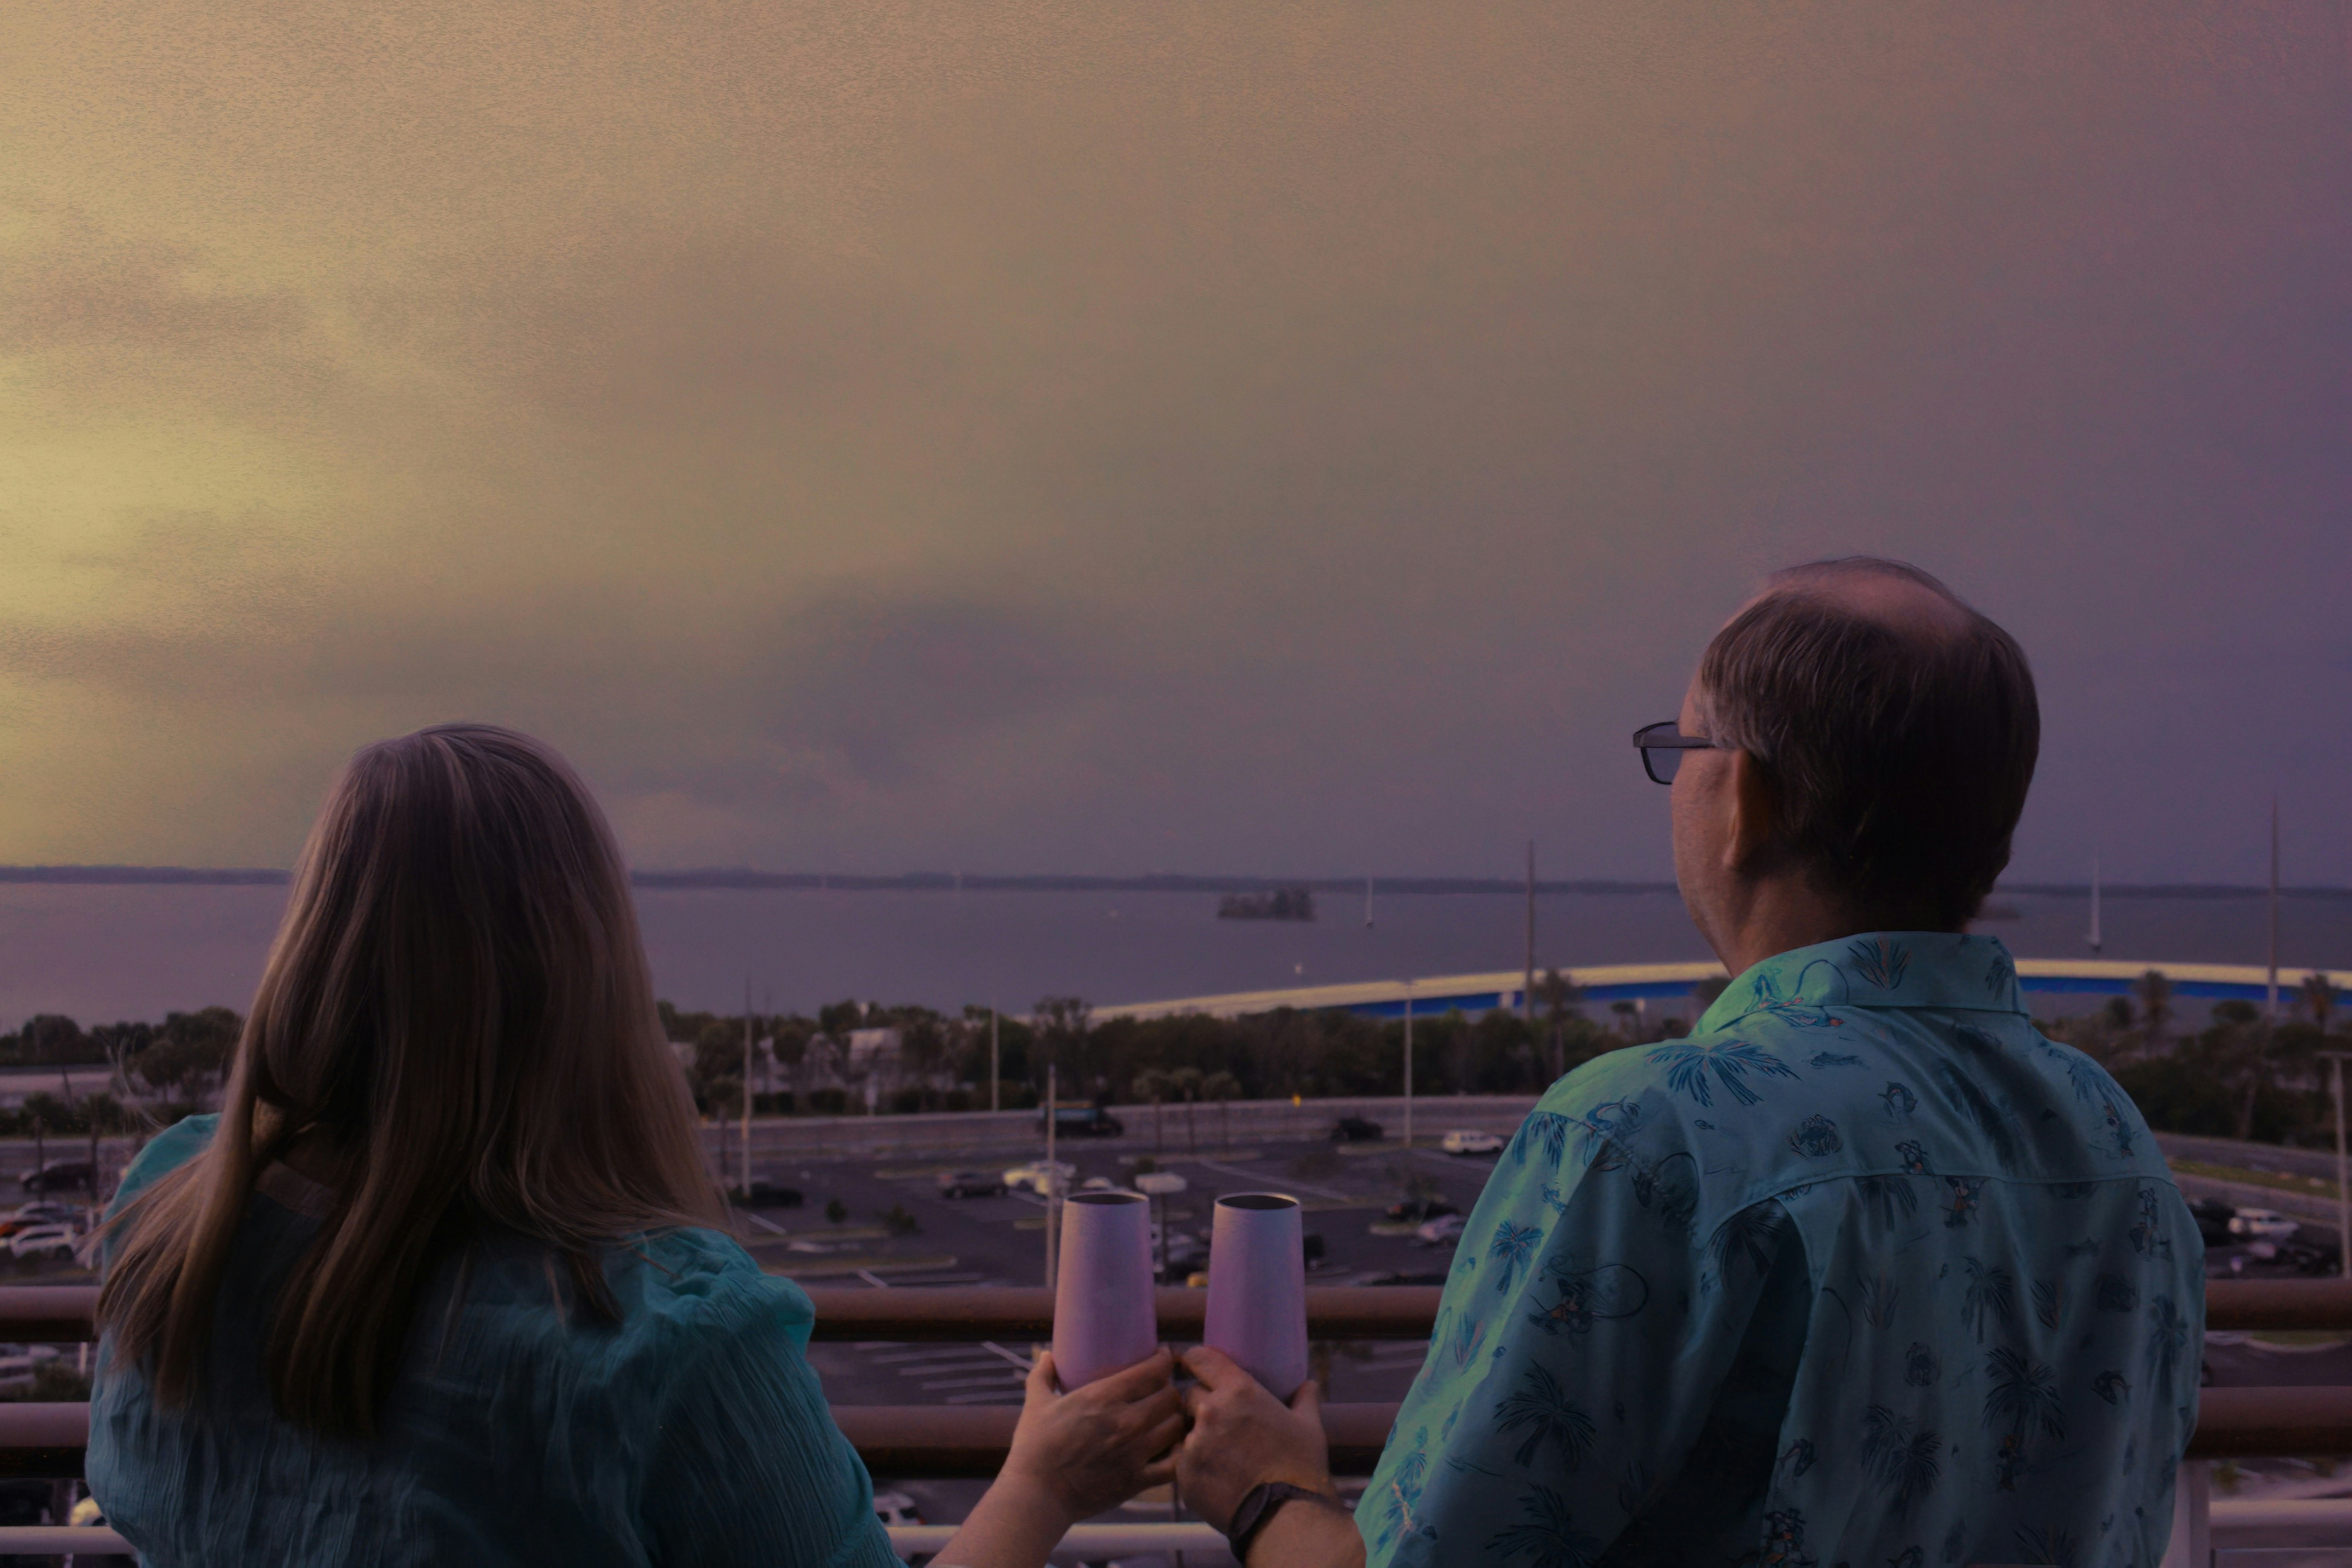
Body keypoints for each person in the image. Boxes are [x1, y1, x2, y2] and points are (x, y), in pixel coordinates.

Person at [1176, 559, 2204, 1568]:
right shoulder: (2115, 1144)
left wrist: (1268, 1494)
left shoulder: (1653, 1136)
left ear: (1747, 799)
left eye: (1686, 747)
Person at [88, 724, 1181, 1567]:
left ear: (322, 943)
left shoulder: (174, 1217)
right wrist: (1041, 1488)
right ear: (585, 976)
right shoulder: (664, 1345)